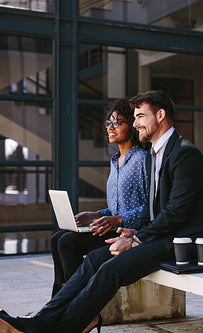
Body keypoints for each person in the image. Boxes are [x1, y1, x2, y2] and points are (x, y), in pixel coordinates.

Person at [0, 90, 203, 333]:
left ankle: (59, 329)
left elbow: (176, 212)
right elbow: (155, 210)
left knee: (109, 270)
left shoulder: (185, 154)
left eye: (140, 116)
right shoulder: (154, 154)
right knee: (95, 260)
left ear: (160, 115)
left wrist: (137, 239)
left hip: (188, 243)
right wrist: (130, 230)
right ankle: (40, 321)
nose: (136, 122)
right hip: (163, 237)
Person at [50, 98, 149, 297]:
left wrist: (117, 219)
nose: (110, 128)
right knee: (56, 239)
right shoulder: (115, 162)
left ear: (132, 126)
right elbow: (117, 208)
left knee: (68, 242)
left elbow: (151, 205)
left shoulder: (142, 159)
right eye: (108, 123)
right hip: (113, 226)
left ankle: (75, 300)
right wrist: (95, 215)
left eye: (117, 122)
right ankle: (58, 299)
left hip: (131, 232)